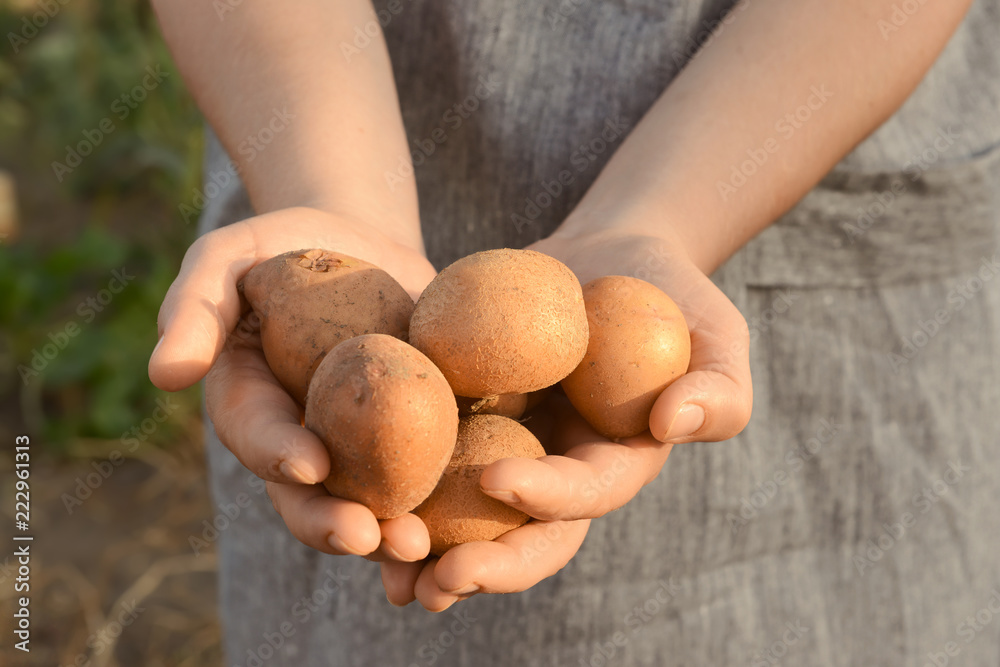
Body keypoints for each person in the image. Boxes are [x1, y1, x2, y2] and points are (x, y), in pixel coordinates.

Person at [148, 0, 1000, 664]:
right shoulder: (371, 337)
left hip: (798, 159)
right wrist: (330, 195)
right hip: (311, 123)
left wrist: (660, 216)